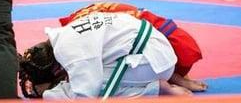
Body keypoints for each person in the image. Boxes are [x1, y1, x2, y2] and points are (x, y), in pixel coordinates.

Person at [19, 11, 194, 99]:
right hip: (150, 51)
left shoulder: (70, 51)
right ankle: (154, 84)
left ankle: (154, 90)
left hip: (151, 60)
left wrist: (49, 95)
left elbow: (86, 95)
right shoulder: (62, 35)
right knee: (91, 77)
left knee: (100, 91)